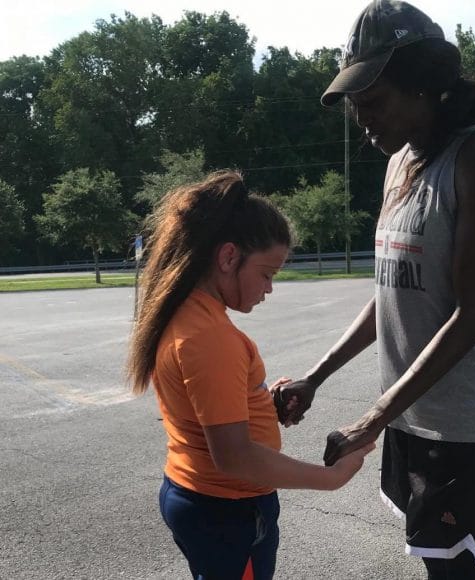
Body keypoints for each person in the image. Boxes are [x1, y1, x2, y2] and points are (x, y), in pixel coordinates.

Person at [274, 2, 475, 578]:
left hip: (466, 419)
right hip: (412, 409)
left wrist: (371, 420)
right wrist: (318, 375)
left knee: (461, 571)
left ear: (423, 85)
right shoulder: (402, 163)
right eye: (355, 109)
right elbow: (391, 290)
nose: (363, 122)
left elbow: (473, 317)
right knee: (438, 565)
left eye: (372, 103)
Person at [126, 170, 374, 580]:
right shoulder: (209, 337)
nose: (269, 289)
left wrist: (259, 399)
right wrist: (331, 478)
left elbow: (206, 406)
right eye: (267, 273)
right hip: (228, 511)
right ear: (228, 258)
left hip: (202, 499)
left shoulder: (187, 314)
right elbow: (235, 456)